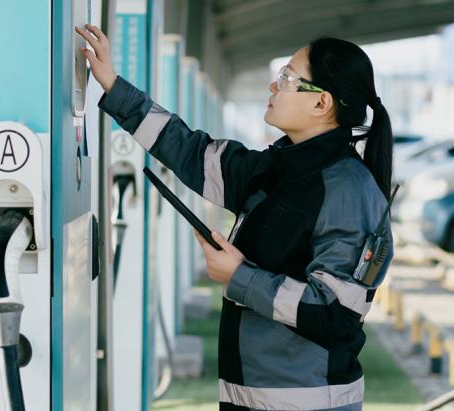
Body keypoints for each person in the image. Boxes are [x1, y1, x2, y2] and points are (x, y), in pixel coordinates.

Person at [77, 24, 394, 411]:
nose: (274, 87)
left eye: (288, 78)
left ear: (321, 103)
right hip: (253, 395)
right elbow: (192, 152)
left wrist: (239, 276)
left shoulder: (349, 190)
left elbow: (336, 312)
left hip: (306, 402)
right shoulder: (278, 169)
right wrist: (113, 86)